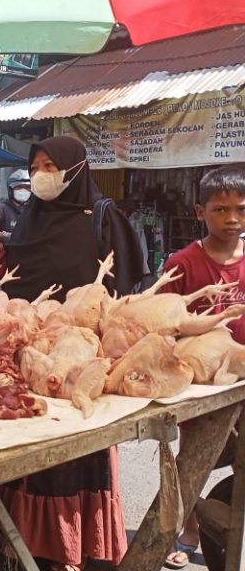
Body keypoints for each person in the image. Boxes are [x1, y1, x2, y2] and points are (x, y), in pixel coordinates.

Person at [0, 136, 144, 570]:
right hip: (31, 352)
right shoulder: (30, 217)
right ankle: (22, 535)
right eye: (35, 166)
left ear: (75, 168)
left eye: (50, 165)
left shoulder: (103, 216)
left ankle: (70, 543)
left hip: (82, 355)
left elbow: (127, 288)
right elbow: (13, 278)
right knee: (24, 446)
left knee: (76, 450)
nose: (40, 175)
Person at [160, 165, 245, 570]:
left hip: (243, 380)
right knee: (193, 465)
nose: (232, 219)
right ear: (200, 212)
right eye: (220, 209)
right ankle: (191, 529)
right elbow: (165, 323)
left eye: (241, 210)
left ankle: (222, 523)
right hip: (201, 386)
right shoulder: (181, 263)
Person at [0, 168, 32, 244]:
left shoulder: (34, 210)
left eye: (27, 188)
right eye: (19, 187)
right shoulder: (0, 210)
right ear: (11, 190)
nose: (23, 190)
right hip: (7, 254)